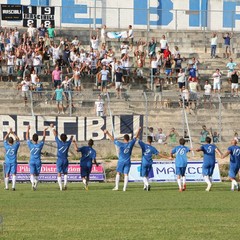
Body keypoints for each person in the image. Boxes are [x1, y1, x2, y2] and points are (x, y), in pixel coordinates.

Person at [50, 124, 73, 191]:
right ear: (66, 138)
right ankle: (65, 184)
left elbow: (55, 135)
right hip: (65, 160)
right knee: (65, 173)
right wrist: (71, 135)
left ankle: (60, 187)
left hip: (59, 160)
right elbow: (71, 138)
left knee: (59, 173)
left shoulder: (59, 142)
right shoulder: (68, 143)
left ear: (61, 138)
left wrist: (52, 128)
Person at [26, 125, 48, 191]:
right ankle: (35, 185)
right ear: (37, 139)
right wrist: (44, 131)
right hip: (38, 161)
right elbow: (44, 138)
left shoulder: (30, 144)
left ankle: (33, 183)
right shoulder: (40, 145)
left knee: (31, 174)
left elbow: (27, 137)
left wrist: (28, 129)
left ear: (32, 139)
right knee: (37, 175)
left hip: (32, 161)